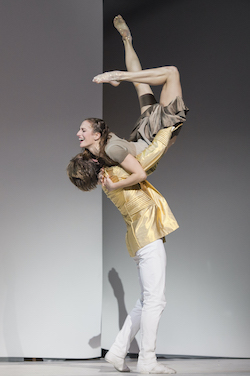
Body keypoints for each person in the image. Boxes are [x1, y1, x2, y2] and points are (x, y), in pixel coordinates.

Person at [67, 15, 188, 374]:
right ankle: (127, 46)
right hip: (146, 138)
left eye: (82, 131)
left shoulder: (108, 160)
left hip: (149, 138)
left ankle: (130, 356)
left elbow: (131, 171)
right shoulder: (107, 157)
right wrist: (104, 168)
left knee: (165, 75)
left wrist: (111, 176)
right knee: (150, 85)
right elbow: (131, 170)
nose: (79, 133)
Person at [74, 14, 187, 192]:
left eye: (82, 130)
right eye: (82, 130)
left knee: (153, 80)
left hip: (147, 132)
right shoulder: (109, 149)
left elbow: (95, 167)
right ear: (96, 135)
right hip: (155, 134)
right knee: (165, 75)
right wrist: (114, 186)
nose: (78, 133)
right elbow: (140, 175)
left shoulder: (101, 151)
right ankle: (120, 70)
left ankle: (126, 43)